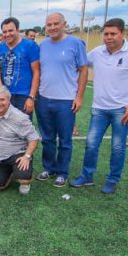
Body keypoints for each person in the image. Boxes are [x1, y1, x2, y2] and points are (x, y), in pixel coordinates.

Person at [70, 18, 128, 194]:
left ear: (122, 33)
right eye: (106, 34)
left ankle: (113, 179)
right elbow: (80, 65)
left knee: (117, 146)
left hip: (122, 110)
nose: (109, 37)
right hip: (99, 108)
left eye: (113, 34)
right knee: (91, 144)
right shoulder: (97, 53)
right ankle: (87, 176)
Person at [35, 13, 88, 187]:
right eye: (48, 24)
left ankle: (62, 172)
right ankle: (49, 168)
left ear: (64, 24)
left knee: (65, 140)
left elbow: (83, 70)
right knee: (47, 138)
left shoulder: (75, 43)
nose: (52, 27)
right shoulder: (42, 46)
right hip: (43, 99)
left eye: (55, 24)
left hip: (65, 101)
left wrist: (79, 97)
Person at [0, 86, 41, 195]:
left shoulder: (19, 117)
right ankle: (11, 172)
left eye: (2, 99)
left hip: (17, 154)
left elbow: (34, 138)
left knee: (23, 178)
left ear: (9, 100)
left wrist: (27, 156)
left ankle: (23, 177)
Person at [0, 17, 40, 116]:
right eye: (4, 32)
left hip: (23, 96)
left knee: (23, 128)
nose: (7, 34)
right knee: (5, 128)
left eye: (11, 30)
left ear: (18, 30)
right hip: (5, 96)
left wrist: (31, 97)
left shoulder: (30, 45)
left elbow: (36, 72)